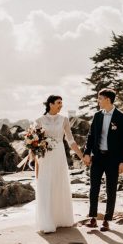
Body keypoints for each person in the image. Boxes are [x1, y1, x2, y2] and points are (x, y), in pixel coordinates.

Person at [35, 95, 84, 233]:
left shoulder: (64, 120)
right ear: (50, 104)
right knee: (46, 185)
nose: (61, 105)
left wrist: (81, 156)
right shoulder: (39, 121)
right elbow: (35, 144)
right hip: (45, 157)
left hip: (59, 155)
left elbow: (71, 140)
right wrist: (35, 162)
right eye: (58, 103)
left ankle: (61, 219)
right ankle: (47, 222)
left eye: (62, 103)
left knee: (59, 183)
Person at [83, 88, 123, 231]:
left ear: (107, 99)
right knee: (94, 188)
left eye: (100, 98)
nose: (98, 101)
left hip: (113, 159)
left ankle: (107, 220)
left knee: (111, 190)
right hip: (97, 157)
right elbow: (90, 136)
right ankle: (92, 218)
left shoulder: (121, 117)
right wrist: (86, 153)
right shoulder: (97, 116)